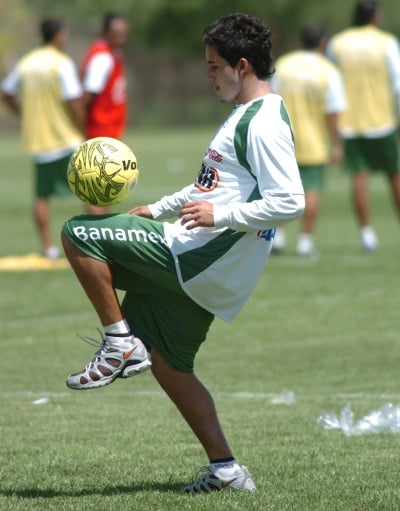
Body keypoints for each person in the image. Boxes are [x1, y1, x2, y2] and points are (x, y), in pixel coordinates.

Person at [61, 13, 305, 493]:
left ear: (241, 64)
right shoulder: (247, 116)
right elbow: (210, 186)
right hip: (211, 276)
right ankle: (227, 470)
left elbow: (290, 200)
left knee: (77, 233)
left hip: (194, 256)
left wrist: (223, 217)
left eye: (214, 66)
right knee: (170, 366)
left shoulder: (263, 123)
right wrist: (159, 206)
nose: (207, 75)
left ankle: (118, 343)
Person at [1, 18, 86, 259]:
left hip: (38, 143)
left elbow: (5, 93)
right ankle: (98, 241)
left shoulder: (26, 63)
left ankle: (48, 248)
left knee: (41, 196)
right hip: (66, 139)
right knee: (92, 190)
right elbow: (74, 100)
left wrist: (23, 115)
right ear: (59, 35)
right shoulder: (61, 63)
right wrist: (84, 130)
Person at [326, 0, 400, 251]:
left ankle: (367, 234)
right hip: (383, 121)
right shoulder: (386, 42)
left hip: (350, 123)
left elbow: (331, 81)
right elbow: (398, 84)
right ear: (374, 16)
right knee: (395, 175)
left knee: (359, 177)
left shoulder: (338, 43)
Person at [271, 22, 346, 256]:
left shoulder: (283, 65)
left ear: (299, 41)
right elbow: (333, 112)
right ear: (322, 42)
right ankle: (305, 241)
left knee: (280, 189)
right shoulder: (328, 71)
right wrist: (337, 143)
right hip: (314, 141)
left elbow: (270, 99)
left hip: (283, 138)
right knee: (312, 190)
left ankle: (279, 238)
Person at [80, 12, 130, 140]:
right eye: (117, 34)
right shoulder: (102, 57)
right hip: (100, 131)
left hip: (109, 130)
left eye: (124, 33)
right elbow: (87, 97)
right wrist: (82, 129)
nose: (122, 38)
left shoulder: (114, 53)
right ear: (105, 32)